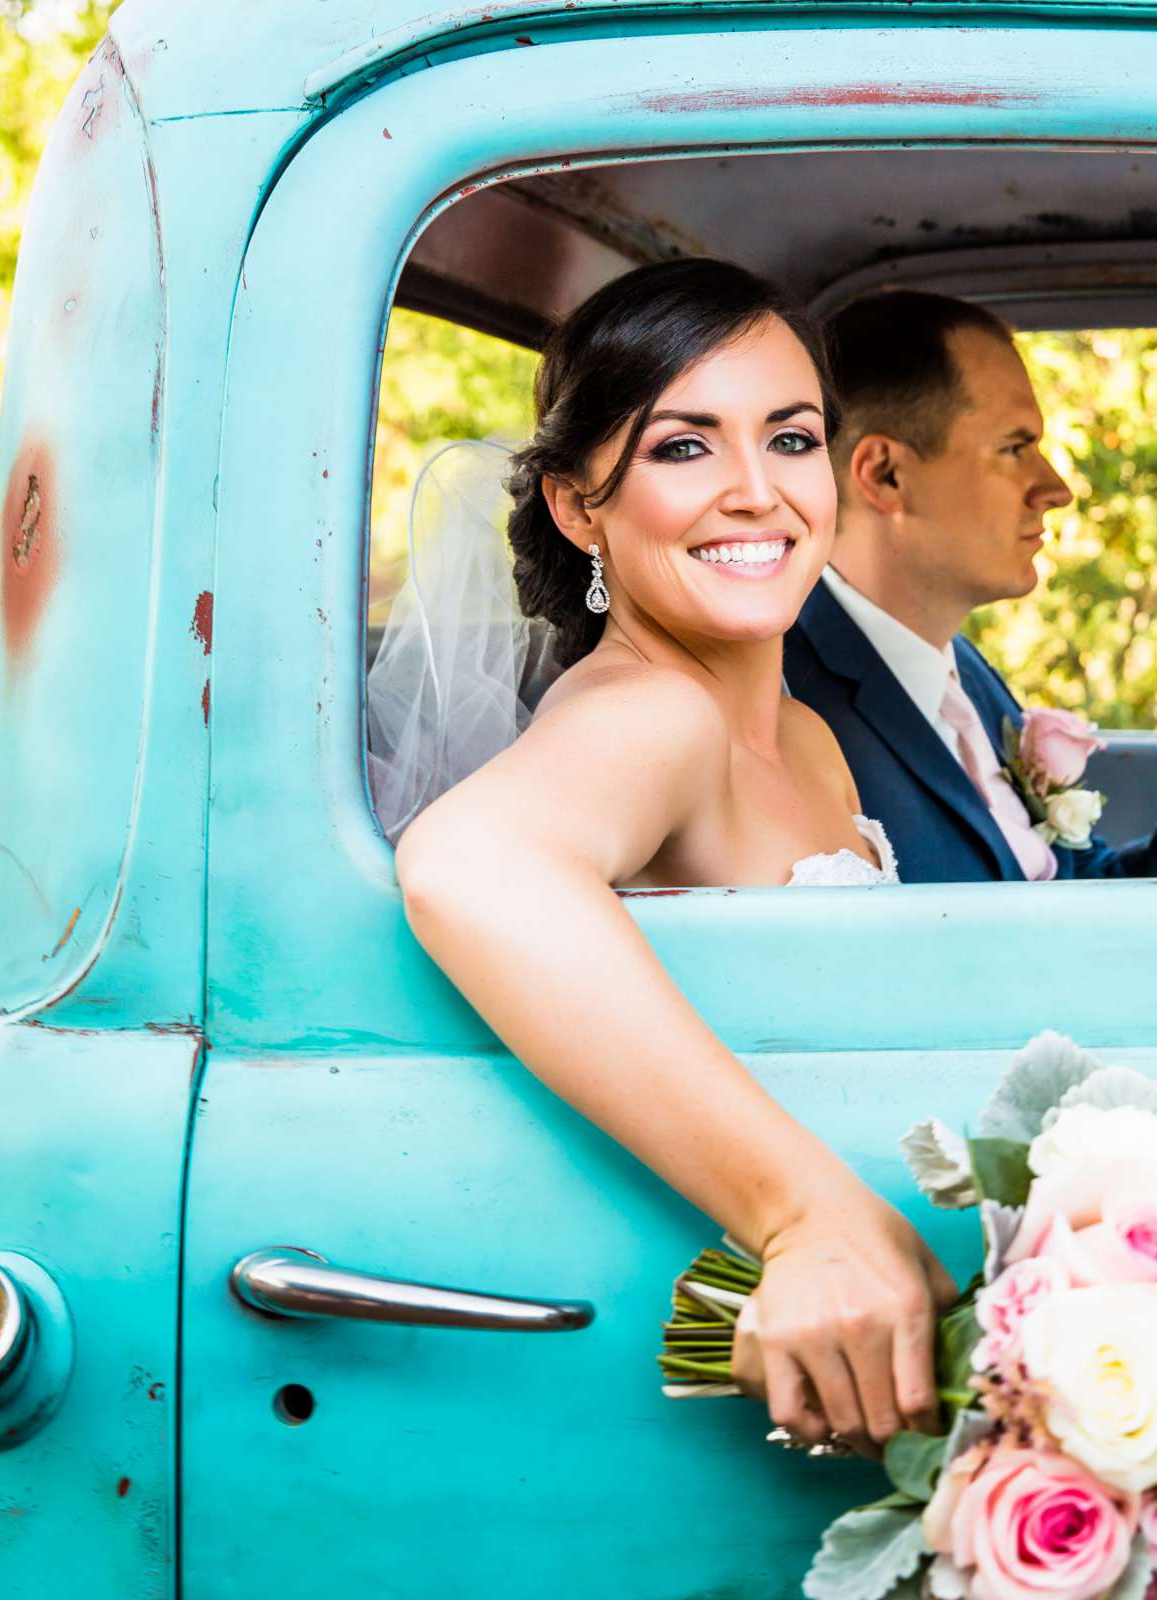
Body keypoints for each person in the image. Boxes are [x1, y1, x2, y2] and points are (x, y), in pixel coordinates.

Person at [386, 259, 952, 1462]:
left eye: (791, 439)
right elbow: (471, 864)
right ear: (577, 505)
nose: (757, 492)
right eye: (684, 449)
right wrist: (805, 1218)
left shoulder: (800, 730)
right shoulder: (653, 714)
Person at [784, 290, 1157, 883]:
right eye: (1015, 449)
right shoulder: (787, 698)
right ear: (886, 475)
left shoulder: (961, 673)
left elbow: (1089, 889)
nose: (1056, 488)